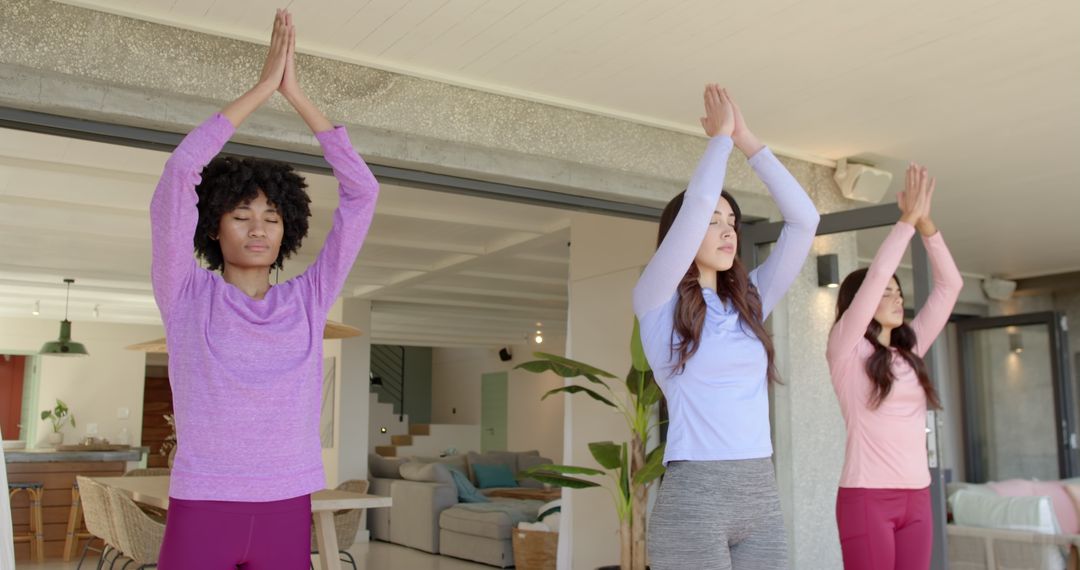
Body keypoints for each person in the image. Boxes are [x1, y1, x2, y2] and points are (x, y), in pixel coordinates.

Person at [149, 9, 379, 567]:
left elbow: (362, 193)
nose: (258, 228)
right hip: (204, 502)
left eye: (272, 217)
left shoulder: (308, 298)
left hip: (286, 503)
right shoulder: (184, 294)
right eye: (241, 214)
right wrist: (260, 90)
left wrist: (298, 97)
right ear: (214, 226)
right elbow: (181, 174)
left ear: (288, 228)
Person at [636, 84, 820, 570]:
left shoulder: (750, 301)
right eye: (714, 220)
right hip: (696, 496)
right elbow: (695, 204)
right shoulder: (657, 296)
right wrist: (718, 140)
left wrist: (748, 141)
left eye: (732, 221)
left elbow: (805, 220)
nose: (726, 230)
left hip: (759, 490)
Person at [828, 164, 962, 570]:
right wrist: (903, 224)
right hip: (867, 497)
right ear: (861, 304)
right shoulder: (846, 349)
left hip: (917, 495)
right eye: (885, 293)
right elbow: (876, 277)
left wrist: (926, 225)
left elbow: (951, 285)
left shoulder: (911, 347)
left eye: (898, 292)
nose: (896, 298)